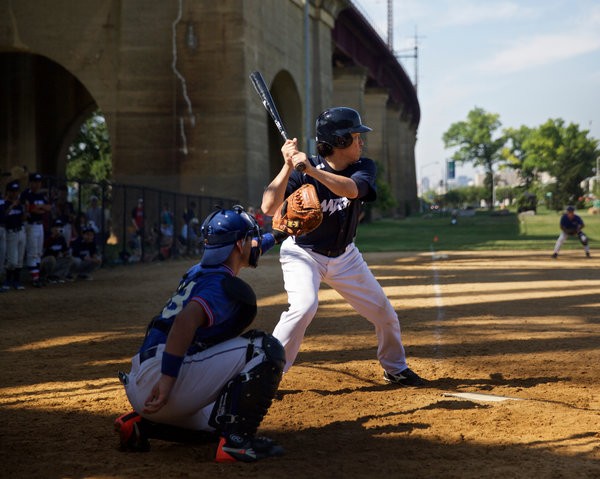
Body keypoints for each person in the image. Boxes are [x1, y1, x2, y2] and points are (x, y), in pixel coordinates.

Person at [261, 106, 424, 386]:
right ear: (339, 142)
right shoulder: (300, 172)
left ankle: (395, 368)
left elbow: (351, 190)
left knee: (384, 313)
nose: (361, 141)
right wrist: (288, 166)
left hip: (345, 256)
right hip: (303, 254)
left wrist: (310, 169)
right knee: (304, 307)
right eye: (356, 136)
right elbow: (268, 207)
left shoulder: (363, 167)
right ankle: (264, 375)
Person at [114, 206, 285, 463]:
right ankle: (236, 444)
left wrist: (280, 234)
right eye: (250, 238)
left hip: (143, 382)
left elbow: (252, 249)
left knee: (218, 422)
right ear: (239, 244)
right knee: (265, 348)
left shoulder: (198, 271)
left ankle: (142, 423)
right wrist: (168, 380)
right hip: (165, 379)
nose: (255, 243)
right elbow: (185, 321)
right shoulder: (220, 285)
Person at [20, 172, 51, 286]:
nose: (37, 185)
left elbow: (48, 208)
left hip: (39, 224)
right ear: (30, 183)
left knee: (38, 251)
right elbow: (30, 209)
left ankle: (36, 276)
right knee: (32, 251)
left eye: (39, 182)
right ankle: (35, 278)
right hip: (30, 225)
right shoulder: (26, 194)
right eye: (35, 182)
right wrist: (39, 208)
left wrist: (39, 207)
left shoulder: (41, 195)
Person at [1, 181, 26, 291]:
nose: (15, 193)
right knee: (12, 260)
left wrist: (25, 211)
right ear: (8, 192)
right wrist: (11, 206)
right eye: (13, 191)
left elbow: (23, 218)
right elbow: (3, 217)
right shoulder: (4, 204)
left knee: (20, 258)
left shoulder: (19, 204)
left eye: (16, 191)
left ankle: (16, 280)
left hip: (21, 231)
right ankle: (7, 280)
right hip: (10, 232)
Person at [40, 218, 73, 284]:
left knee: (69, 259)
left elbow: (65, 251)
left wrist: (64, 254)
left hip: (56, 260)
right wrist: (53, 237)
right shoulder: (46, 235)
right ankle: (45, 276)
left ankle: (55, 276)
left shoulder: (61, 238)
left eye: (60, 227)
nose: (59, 228)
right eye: (57, 227)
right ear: (52, 228)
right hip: (44, 261)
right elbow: (43, 246)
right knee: (51, 259)